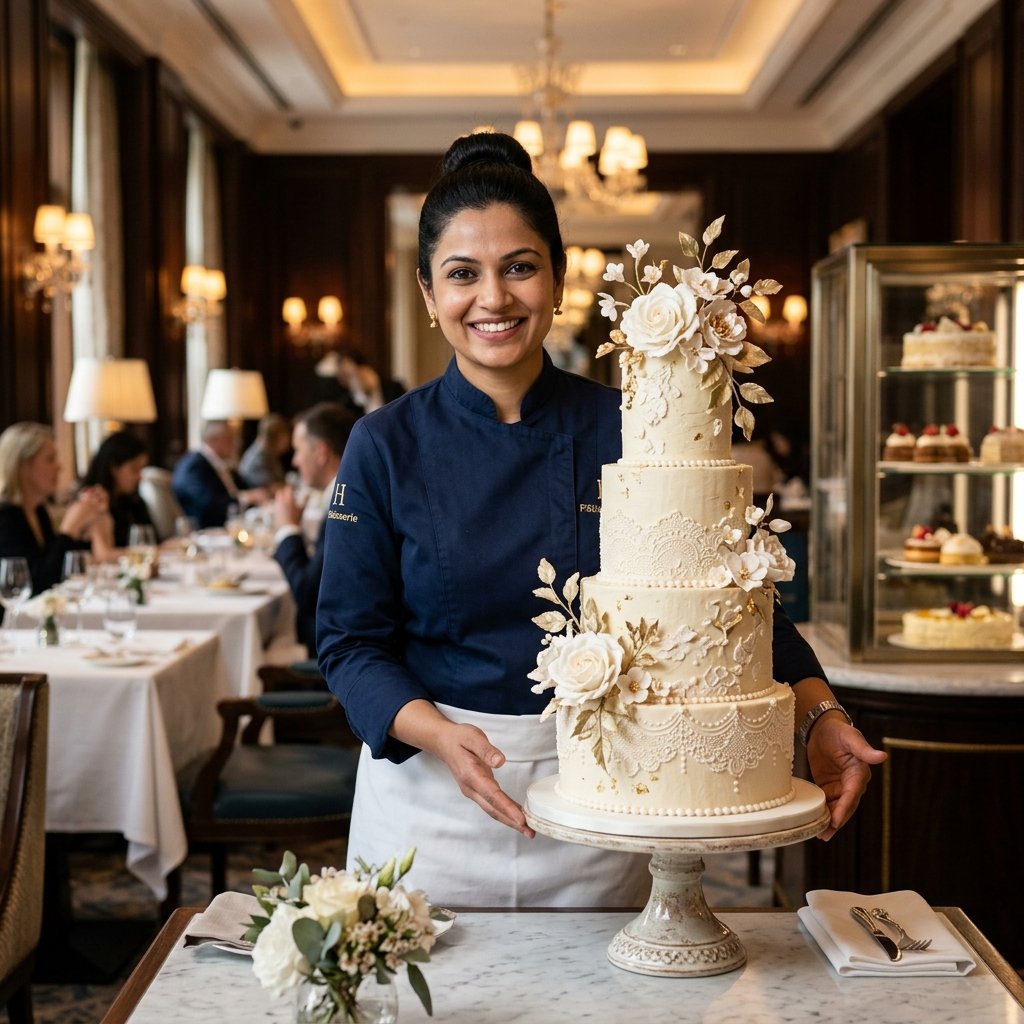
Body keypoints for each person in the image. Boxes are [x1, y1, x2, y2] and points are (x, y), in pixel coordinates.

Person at [316, 132, 886, 907]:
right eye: (462, 275)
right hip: (428, 805)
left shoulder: (638, 423)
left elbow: (725, 603)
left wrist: (819, 711)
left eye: (519, 267)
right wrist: (438, 735)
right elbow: (350, 643)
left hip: (607, 793)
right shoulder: (383, 444)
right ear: (427, 293)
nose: (493, 298)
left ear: (555, 279)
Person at [272, 402, 356, 656]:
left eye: (298, 450)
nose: (295, 461)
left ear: (321, 452)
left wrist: (287, 529)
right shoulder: (348, 491)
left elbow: (308, 593)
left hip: (334, 649)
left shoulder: (345, 502)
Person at [0, 421, 115, 596]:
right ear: (23, 466)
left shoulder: (38, 511)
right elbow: (36, 584)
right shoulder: (5, 517)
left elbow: (70, 568)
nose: (59, 466)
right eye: (50, 459)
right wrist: (69, 528)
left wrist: (92, 519)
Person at [171, 420, 269, 528]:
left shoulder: (221, 463)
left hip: (232, 526)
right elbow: (209, 504)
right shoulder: (194, 466)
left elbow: (246, 488)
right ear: (214, 440)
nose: (236, 443)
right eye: (230, 438)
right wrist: (247, 497)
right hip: (207, 531)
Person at [81, 430, 154, 547]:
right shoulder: (92, 500)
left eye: (142, 469)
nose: (140, 477)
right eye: (134, 469)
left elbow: (152, 540)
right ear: (113, 467)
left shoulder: (134, 502)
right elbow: (103, 555)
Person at [239, 412, 292, 491]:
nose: (288, 441)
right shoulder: (259, 458)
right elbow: (272, 488)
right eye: (285, 436)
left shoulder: (269, 454)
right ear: (274, 437)